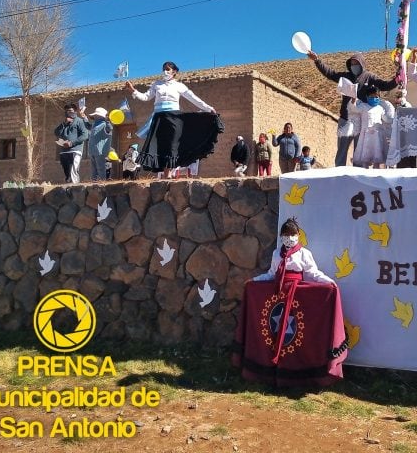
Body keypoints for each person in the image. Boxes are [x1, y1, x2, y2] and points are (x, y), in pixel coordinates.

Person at [234, 217, 347, 386]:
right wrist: (254, 281)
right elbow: (272, 274)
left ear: (298, 235)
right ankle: (271, 370)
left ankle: (297, 373)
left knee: (294, 334)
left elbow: (312, 274)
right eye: (286, 234)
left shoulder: (304, 253)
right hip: (278, 296)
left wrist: (329, 283)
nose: (289, 238)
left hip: (296, 296)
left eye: (292, 234)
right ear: (281, 236)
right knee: (275, 332)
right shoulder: (276, 254)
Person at [126, 61, 221, 178]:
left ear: (174, 72)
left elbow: (193, 98)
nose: (165, 71)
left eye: (168, 69)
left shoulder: (179, 86)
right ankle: (166, 174)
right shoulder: (157, 84)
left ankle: (169, 174)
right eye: (163, 69)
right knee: (162, 145)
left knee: (172, 145)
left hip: (174, 117)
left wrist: (208, 108)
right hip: (159, 118)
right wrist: (133, 90)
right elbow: (146, 97)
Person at [307, 50, 398, 166]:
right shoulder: (345, 77)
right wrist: (317, 60)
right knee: (342, 150)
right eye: (352, 64)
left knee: (359, 151)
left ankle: (358, 175)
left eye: (356, 63)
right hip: (345, 119)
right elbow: (330, 73)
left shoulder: (369, 77)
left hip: (361, 121)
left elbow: (385, 85)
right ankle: (340, 174)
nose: (354, 66)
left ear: (362, 64)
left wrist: (396, 80)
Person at [348, 85, 395, 169]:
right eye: (371, 96)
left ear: (379, 97)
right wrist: (353, 99)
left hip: (378, 134)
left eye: (376, 96)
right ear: (367, 97)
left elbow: (386, 119)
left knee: (377, 152)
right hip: (366, 134)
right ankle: (365, 169)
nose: (374, 98)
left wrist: (395, 119)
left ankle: (376, 169)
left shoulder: (380, 108)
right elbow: (354, 109)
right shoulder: (363, 106)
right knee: (366, 153)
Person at [54, 103, 89, 184]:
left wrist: (71, 143)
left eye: (70, 111)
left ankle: (76, 189)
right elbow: (56, 132)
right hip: (63, 151)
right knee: (67, 173)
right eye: (66, 111)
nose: (67, 112)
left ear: (75, 111)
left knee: (74, 171)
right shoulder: (64, 123)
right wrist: (64, 124)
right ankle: (67, 189)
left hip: (75, 151)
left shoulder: (79, 121)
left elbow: (85, 135)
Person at [83, 107, 113, 181]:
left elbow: (110, 128)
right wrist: (84, 117)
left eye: (96, 115)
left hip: (100, 150)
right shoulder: (94, 125)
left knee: (100, 168)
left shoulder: (104, 124)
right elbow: (88, 126)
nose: (95, 116)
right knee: (93, 169)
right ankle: (94, 182)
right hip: (92, 150)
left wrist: (108, 121)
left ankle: (102, 183)